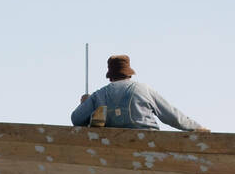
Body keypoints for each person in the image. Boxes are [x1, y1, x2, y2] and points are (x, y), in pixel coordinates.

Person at [71, 55, 209, 132]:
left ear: (110, 77)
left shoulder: (99, 95)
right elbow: (171, 115)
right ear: (129, 74)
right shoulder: (143, 89)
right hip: (148, 145)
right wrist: (197, 128)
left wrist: (84, 103)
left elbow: (76, 119)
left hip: (114, 150)